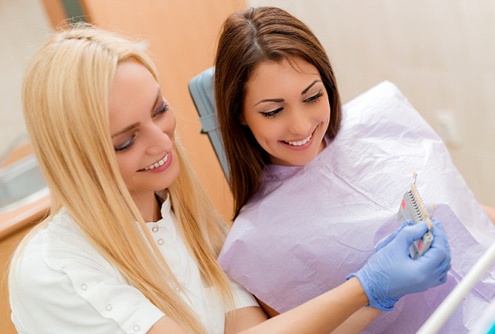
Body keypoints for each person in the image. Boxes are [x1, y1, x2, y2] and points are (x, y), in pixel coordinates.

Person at [6, 22, 451, 334]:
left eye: (160, 111)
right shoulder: (54, 271)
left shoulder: (187, 219)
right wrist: (365, 286)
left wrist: (382, 292)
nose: (162, 143)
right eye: (125, 141)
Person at [214, 6, 495, 334]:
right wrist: (375, 291)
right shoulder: (253, 244)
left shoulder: (382, 117)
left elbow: (466, 210)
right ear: (240, 114)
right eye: (274, 111)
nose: (301, 125)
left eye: (313, 96)